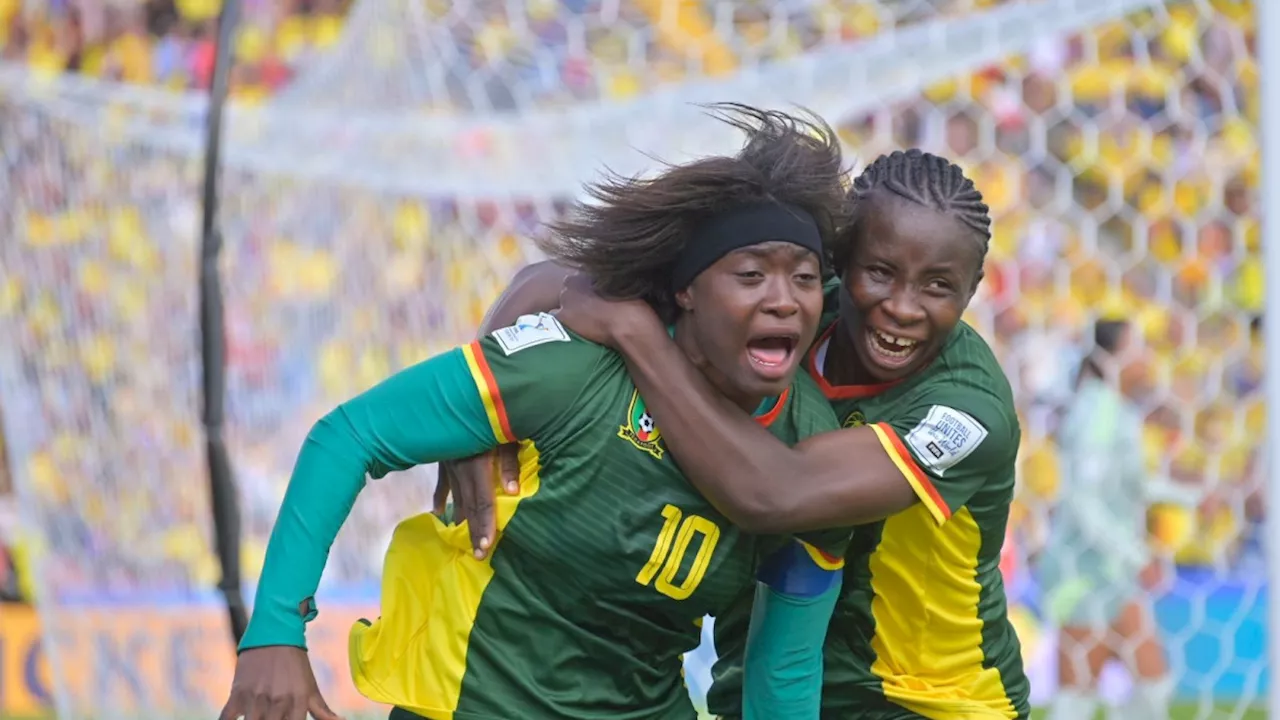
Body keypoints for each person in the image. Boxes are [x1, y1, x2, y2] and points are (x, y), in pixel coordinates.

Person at [218, 104, 854, 720]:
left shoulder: (813, 454)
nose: (783, 301)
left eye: (802, 278)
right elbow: (350, 435)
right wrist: (275, 629)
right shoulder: (575, 368)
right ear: (686, 290)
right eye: (750, 276)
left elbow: (783, 668)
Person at [444, 149, 1033, 719]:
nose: (903, 308)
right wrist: (483, 408)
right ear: (840, 260)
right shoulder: (789, 305)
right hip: (760, 685)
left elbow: (775, 495)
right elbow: (555, 283)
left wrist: (636, 335)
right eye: (880, 273)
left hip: (926, 704)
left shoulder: (967, 408)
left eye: (937, 287)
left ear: (973, 289)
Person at [1038, 318, 1176, 720]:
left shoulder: (1115, 409)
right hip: (1083, 573)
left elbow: (1127, 487)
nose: (1146, 358)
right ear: (1110, 356)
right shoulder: (1097, 411)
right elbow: (1082, 501)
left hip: (1111, 572)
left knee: (1151, 686)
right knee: (1080, 697)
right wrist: (1138, 556)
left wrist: (1191, 495)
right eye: (1137, 347)